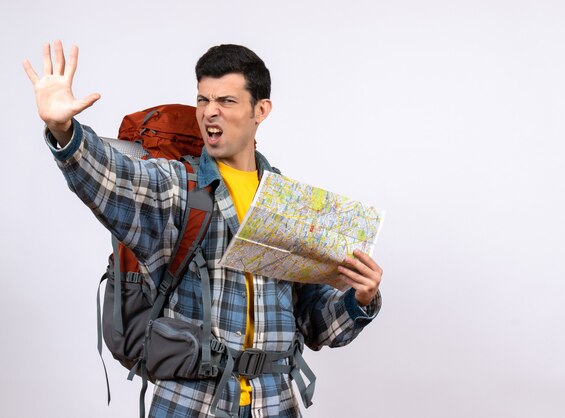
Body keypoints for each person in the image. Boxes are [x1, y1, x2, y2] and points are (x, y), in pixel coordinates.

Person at [23, 40, 383, 418]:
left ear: (261, 110)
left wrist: (360, 299)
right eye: (202, 100)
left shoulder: (286, 203)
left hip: (275, 403)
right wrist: (65, 132)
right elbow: (116, 179)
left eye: (226, 101)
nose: (210, 112)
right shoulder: (179, 186)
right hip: (191, 403)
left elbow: (315, 323)